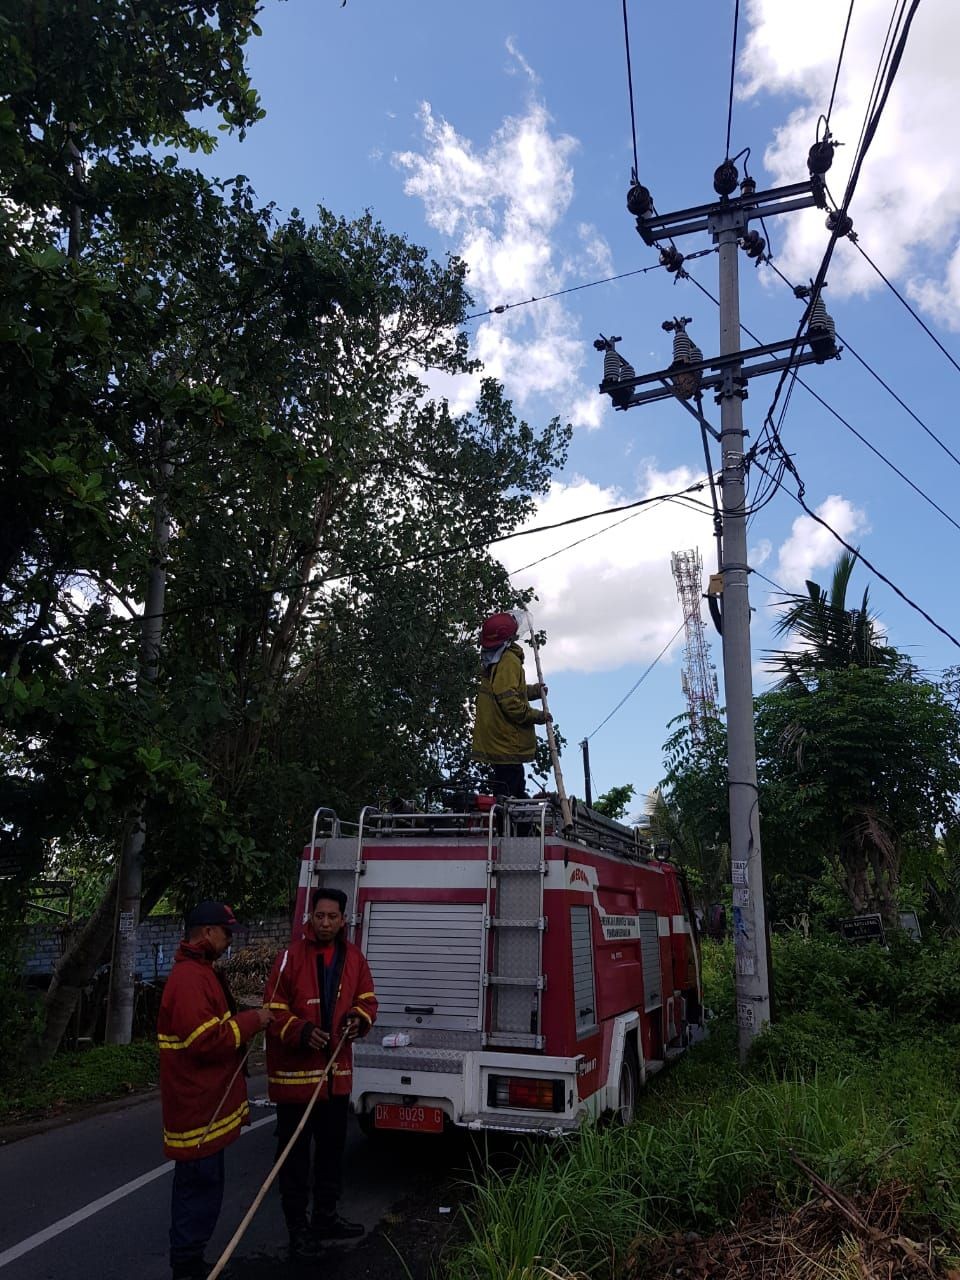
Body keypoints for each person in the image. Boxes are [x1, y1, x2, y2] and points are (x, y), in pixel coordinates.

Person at [158, 900, 272, 1280]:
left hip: (206, 1104)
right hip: (196, 1109)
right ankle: (188, 1268)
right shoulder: (190, 979)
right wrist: (253, 1020)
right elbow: (204, 1042)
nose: (228, 942)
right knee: (198, 1191)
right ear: (207, 932)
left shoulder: (202, 972)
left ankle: (192, 1260)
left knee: (204, 1188)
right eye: (226, 934)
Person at [263, 887, 378, 1261]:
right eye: (319, 916)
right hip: (296, 1084)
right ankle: (298, 1229)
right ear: (309, 918)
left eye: (332, 916)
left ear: (343, 920)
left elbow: (367, 1000)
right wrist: (300, 1031)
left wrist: (357, 1020)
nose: (326, 922)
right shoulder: (288, 959)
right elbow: (272, 1011)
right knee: (295, 1160)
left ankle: (326, 1217)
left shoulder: (355, 959)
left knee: (331, 1152)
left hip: (336, 1078)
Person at [471, 610, 551, 798]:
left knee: (508, 788)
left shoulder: (495, 659)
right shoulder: (508, 660)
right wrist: (538, 716)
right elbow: (510, 703)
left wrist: (534, 691)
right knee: (511, 794)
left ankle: (509, 825)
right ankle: (512, 828)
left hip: (499, 739)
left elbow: (507, 690)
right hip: (507, 740)